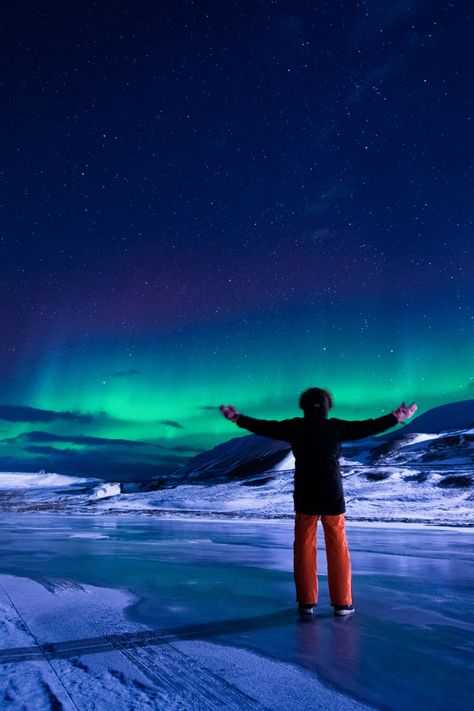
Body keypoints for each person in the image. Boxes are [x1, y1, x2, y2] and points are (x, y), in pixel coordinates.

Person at [220, 389, 417, 617]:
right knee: (338, 548)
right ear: (327, 406)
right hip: (332, 493)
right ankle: (342, 604)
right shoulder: (335, 427)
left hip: (305, 494)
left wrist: (237, 418)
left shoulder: (295, 427)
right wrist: (396, 417)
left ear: (303, 407)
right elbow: (368, 426)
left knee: (304, 548)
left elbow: (265, 426)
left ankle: (306, 603)